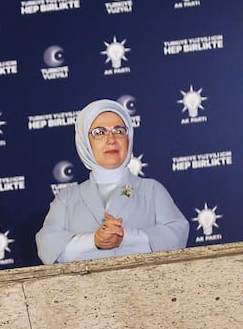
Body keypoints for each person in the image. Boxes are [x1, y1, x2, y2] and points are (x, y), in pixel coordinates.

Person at [36, 99, 188, 264]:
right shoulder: (67, 198)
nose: (111, 139)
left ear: (128, 138)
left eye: (119, 130)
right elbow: (47, 246)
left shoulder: (151, 190)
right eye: (100, 132)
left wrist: (126, 237)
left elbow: (176, 234)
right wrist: (94, 240)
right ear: (85, 142)